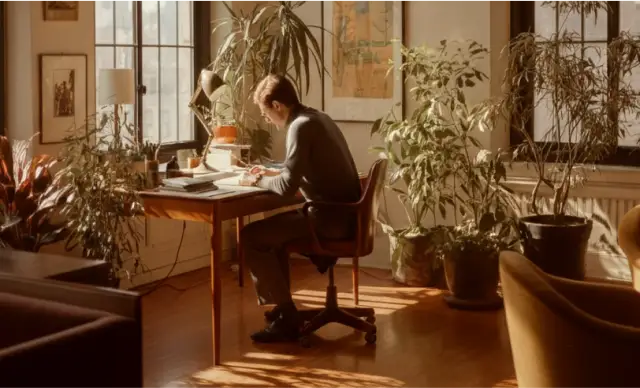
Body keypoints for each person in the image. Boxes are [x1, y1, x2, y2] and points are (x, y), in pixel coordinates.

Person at [239, 74, 362, 343]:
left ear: (278, 106)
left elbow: (284, 188)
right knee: (272, 237)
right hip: (346, 216)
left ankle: (286, 315)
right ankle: (284, 312)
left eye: (265, 112)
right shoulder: (318, 118)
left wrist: (257, 178)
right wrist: (274, 171)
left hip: (329, 220)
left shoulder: (300, 127)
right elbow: (299, 169)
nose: (267, 119)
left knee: (251, 237)